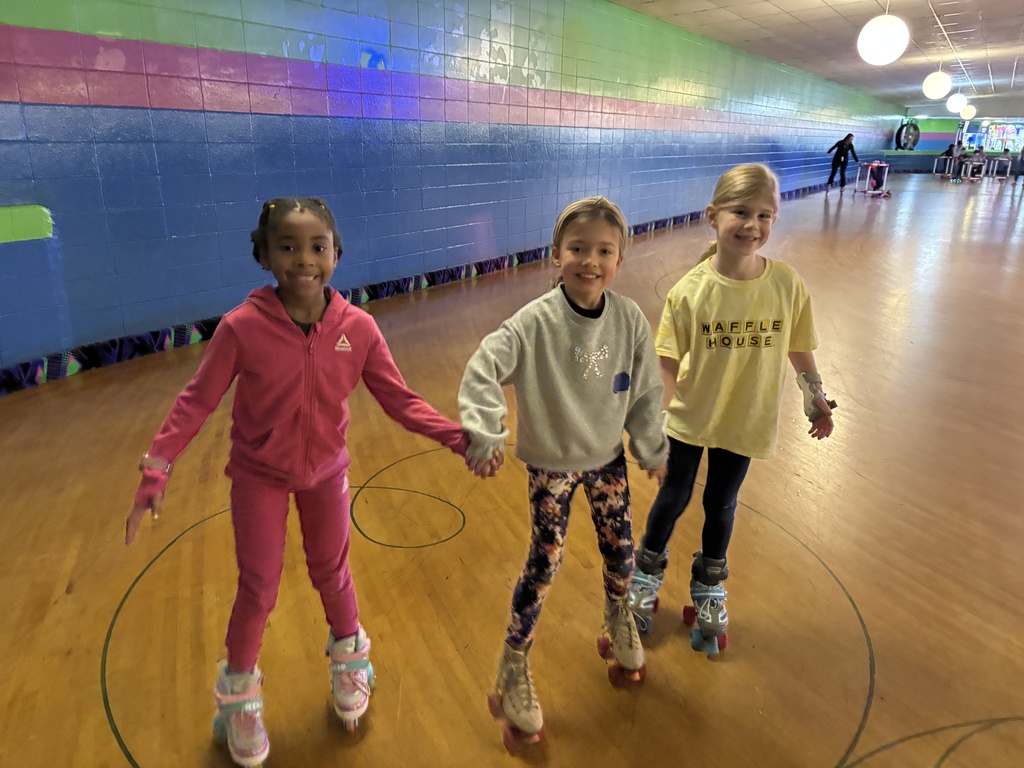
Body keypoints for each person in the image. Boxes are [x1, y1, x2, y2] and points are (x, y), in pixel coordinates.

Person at [125, 197, 472, 767]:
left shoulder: (357, 329)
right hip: (258, 477)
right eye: (287, 246)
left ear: (337, 252)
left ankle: (351, 664)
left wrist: (456, 437)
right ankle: (238, 697)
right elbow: (197, 400)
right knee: (258, 588)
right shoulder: (242, 328)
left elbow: (399, 399)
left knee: (333, 572)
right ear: (263, 255)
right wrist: (157, 465)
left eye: (317, 246)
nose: (304, 259)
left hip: (326, 474)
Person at [459, 196, 669, 749]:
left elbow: (646, 391)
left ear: (620, 259)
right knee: (544, 565)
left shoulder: (628, 320)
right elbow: (484, 365)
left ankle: (617, 614)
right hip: (552, 467)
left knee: (622, 551)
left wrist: (651, 449)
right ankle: (512, 664)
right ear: (557, 254)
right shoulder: (534, 322)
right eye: (578, 249)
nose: (590, 261)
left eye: (604, 250)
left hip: (606, 461)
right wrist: (487, 430)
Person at [626, 164, 836, 657]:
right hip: (691, 419)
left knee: (722, 504)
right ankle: (646, 575)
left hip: (744, 419)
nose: (753, 225)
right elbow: (666, 360)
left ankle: (709, 587)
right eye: (741, 212)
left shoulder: (785, 284)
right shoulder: (691, 291)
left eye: (766, 215)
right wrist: (663, 413)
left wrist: (815, 395)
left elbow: (800, 347)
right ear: (713, 216)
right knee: (673, 498)